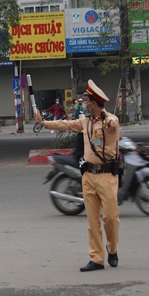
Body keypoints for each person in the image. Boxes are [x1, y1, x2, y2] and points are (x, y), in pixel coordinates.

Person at [34, 80, 120, 272]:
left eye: (86, 100)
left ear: (95, 102)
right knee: (92, 221)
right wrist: (42, 122)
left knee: (111, 218)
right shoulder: (84, 122)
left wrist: (109, 122)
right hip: (88, 176)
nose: (83, 103)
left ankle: (112, 249)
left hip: (106, 176)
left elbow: (113, 125)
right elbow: (64, 125)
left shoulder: (110, 120)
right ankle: (97, 259)